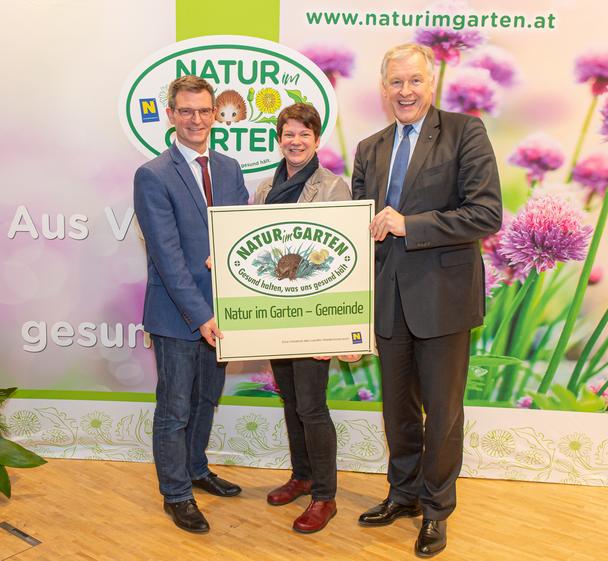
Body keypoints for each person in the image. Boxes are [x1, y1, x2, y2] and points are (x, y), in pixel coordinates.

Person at [352, 44, 502, 557]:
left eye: (414, 81)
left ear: (431, 83)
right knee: (397, 410)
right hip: (387, 300)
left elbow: (485, 214)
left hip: (443, 298)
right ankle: (403, 494)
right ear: (383, 87)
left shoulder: (466, 131)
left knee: (442, 412)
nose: (405, 92)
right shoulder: (369, 148)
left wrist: (408, 224)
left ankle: (437, 511)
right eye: (396, 82)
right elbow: (354, 229)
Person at [134, 75, 248, 534]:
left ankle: (197, 470)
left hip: (224, 310)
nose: (197, 119)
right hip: (180, 315)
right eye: (186, 111)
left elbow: (242, 228)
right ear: (171, 115)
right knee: (175, 408)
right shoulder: (153, 174)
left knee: (205, 399)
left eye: (204, 111)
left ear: (214, 114)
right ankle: (176, 493)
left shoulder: (228, 167)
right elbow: (165, 255)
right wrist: (200, 316)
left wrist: (229, 257)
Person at [254, 103, 357, 533]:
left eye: (304, 134)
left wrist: (337, 331)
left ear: (317, 140)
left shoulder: (335, 188)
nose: (295, 141)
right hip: (278, 314)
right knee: (291, 400)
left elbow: (343, 260)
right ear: (279, 139)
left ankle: (325, 496)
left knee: (313, 407)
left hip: (315, 318)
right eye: (288, 133)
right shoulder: (262, 189)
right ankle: (302, 475)